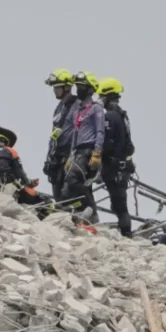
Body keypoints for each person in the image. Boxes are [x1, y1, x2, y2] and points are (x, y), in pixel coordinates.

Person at [62, 71, 105, 223]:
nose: (78, 89)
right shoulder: (78, 110)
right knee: (68, 187)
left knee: (73, 180)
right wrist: (70, 155)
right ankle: (82, 212)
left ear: (90, 89)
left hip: (88, 150)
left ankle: (90, 210)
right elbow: (75, 132)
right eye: (77, 86)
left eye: (82, 86)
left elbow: (100, 131)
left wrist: (97, 152)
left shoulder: (96, 109)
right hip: (78, 150)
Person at [97, 77, 136, 236]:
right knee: (119, 203)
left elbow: (107, 143)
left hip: (115, 167)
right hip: (123, 166)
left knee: (120, 204)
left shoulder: (110, 117)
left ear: (107, 96)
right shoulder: (123, 115)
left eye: (101, 97)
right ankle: (124, 230)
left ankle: (126, 234)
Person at [42, 69, 78, 200]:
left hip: (69, 159)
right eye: (54, 87)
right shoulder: (59, 107)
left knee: (72, 197)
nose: (54, 90)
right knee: (59, 199)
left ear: (67, 87)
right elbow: (54, 135)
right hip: (56, 159)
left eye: (57, 87)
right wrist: (49, 159)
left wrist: (73, 157)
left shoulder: (77, 105)